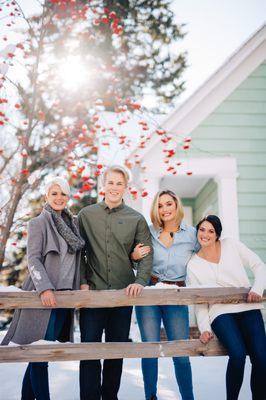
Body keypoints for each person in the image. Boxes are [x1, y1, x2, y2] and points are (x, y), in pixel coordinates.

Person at [1, 177, 84, 400]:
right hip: (44, 296)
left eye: (63, 194)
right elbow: (34, 259)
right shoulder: (38, 223)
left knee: (42, 355)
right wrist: (45, 288)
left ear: (68, 197)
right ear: (47, 196)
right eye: (54, 193)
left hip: (65, 297)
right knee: (40, 353)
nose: (59, 198)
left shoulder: (74, 224)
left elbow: (80, 259)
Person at [78, 165, 153, 400]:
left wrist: (140, 280)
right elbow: (78, 253)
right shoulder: (86, 215)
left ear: (125, 187)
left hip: (123, 295)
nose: (114, 187)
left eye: (119, 183)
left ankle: (110, 396)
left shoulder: (136, 219)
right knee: (89, 352)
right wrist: (82, 283)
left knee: (115, 351)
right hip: (93, 295)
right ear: (103, 185)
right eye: (110, 182)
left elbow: (147, 254)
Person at [187, 215, 266, 400]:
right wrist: (205, 328)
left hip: (248, 307)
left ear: (217, 235)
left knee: (262, 359)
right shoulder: (193, 264)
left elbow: (259, 265)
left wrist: (257, 288)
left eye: (210, 231)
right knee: (237, 356)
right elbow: (200, 302)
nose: (205, 234)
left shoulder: (231, 245)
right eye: (202, 229)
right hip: (220, 313)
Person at [132, 190, 197, 400]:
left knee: (181, 352)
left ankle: (188, 397)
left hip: (176, 296)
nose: (165, 209)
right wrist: (133, 256)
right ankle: (150, 396)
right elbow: (137, 261)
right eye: (160, 206)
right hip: (149, 294)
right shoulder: (148, 232)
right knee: (150, 350)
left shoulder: (192, 234)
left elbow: (205, 256)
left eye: (169, 204)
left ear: (177, 205)